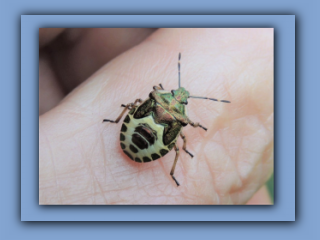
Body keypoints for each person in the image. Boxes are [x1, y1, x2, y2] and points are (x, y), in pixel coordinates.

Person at [39, 28, 273, 204]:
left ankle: (116, 121)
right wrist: (195, 126)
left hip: (133, 134)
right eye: (177, 95)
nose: (179, 95)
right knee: (181, 146)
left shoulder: (158, 98)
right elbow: (182, 139)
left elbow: (136, 104)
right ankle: (171, 172)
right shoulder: (182, 119)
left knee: (134, 106)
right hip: (150, 144)